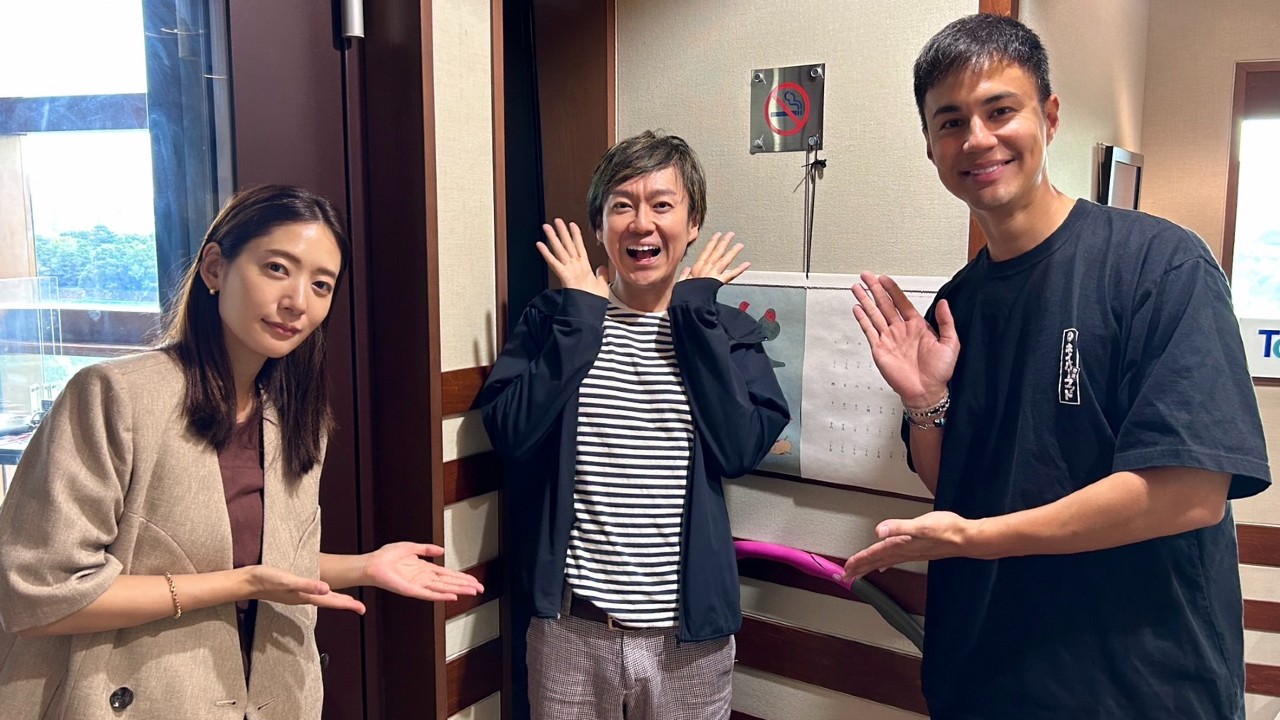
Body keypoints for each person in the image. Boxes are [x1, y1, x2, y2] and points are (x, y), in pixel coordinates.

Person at [843, 14, 1270, 720]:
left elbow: (1189, 491)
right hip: (984, 678)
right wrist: (925, 403)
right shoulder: (957, 305)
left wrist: (975, 539)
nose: (977, 139)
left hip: (1138, 687)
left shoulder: (1159, 265)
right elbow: (958, 483)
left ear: (1049, 116)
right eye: (951, 122)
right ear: (931, 146)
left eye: (999, 110)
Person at [0, 185, 483, 719]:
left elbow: (257, 560)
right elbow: (39, 595)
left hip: (270, 696)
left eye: (321, 285)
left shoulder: (295, 418)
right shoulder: (116, 396)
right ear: (215, 268)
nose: (298, 301)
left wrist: (365, 567)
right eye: (277, 268)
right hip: (148, 697)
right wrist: (240, 585)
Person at [479, 130, 788, 720]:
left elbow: (739, 450)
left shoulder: (727, 332)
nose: (641, 222)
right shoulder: (553, 320)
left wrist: (695, 318)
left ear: (692, 224)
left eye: (662, 204)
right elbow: (511, 434)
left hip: (688, 639)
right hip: (570, 627)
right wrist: (580, 321)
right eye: (622, 205)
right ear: (599, 226)